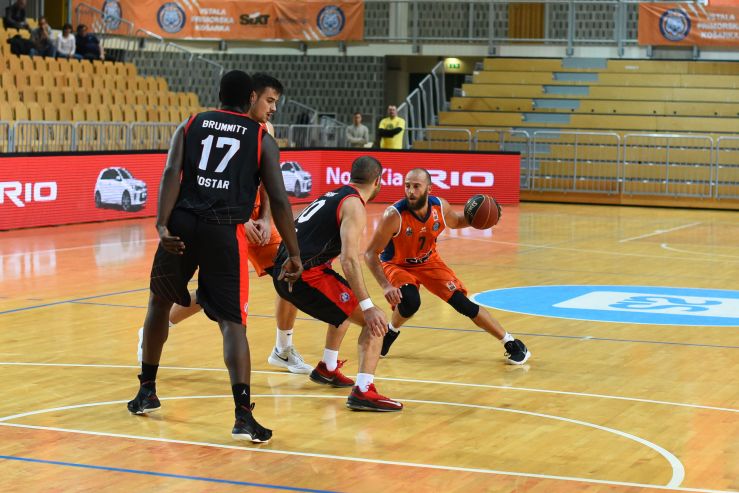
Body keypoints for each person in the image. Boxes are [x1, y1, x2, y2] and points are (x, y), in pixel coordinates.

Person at [126, 70, 303, 444]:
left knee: (158, 305)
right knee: (232, 324)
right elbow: (280, 199)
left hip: (181, 225)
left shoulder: (191, 123)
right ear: (251, 97)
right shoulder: (261, 138)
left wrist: (161, 224)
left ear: (218, 94)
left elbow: (171, 173)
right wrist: (294, 252)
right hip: (223, 232)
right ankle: (242, 416)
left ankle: (146, 391)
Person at [271, 156, 403, 412]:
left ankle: (328, 367)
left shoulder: (332, 195)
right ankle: (364, 391)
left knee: (343, 307)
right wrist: (368, 306)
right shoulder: (354, 205)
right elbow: (349, 259)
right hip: (303, 275)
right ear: (378, 181)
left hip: (286, 267)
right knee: (375, 322)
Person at [364, 168, 531, 364]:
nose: (410, 191)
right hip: (397, 264)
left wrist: (482, 218)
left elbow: (457, 221)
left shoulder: (440, 207)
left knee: (463, 304)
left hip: (429, 261)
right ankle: (391, 332)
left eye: (416, 186)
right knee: (410, 301)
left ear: (429, 189)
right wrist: (385, 285)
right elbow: (370, 253)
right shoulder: (394, 216)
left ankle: (510, 342)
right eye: (407, 186)